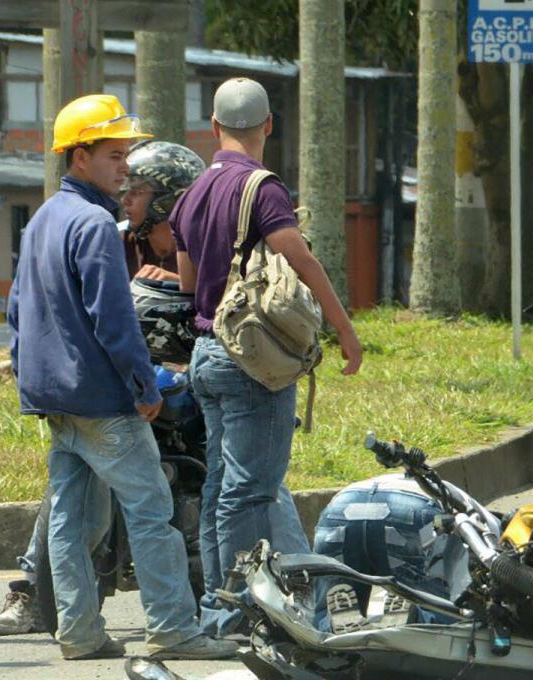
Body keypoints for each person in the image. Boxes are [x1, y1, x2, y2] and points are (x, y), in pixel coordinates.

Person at [6, 93, 233, 660]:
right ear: (80, 157)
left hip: (55, 399)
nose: (125, 166)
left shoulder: (42, 221)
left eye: (127, 154)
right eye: (113, 154)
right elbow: (114, 320)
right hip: (103, 400)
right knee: (152, 510)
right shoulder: (95, 225)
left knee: (69, 517)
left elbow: (17, 312)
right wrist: (145, 387)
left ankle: (80, 634)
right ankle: (174, 629)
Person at [172, 77, 364, 637]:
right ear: (269, 126)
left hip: (206, 353)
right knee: (248, 492)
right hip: (252, 361)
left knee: (218, 488)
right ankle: (240, 610)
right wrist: (346, 332)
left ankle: (216, 603)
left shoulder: (190, 194)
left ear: (213, 127)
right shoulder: (263, 189)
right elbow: (301, 261)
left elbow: (189, 286)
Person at [121, 140, 207, 282]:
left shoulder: (206, 246)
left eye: (137, 191)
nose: (125, 200)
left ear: (168, 201)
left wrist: (178, 284)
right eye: (127, 190)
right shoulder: (121, 242)